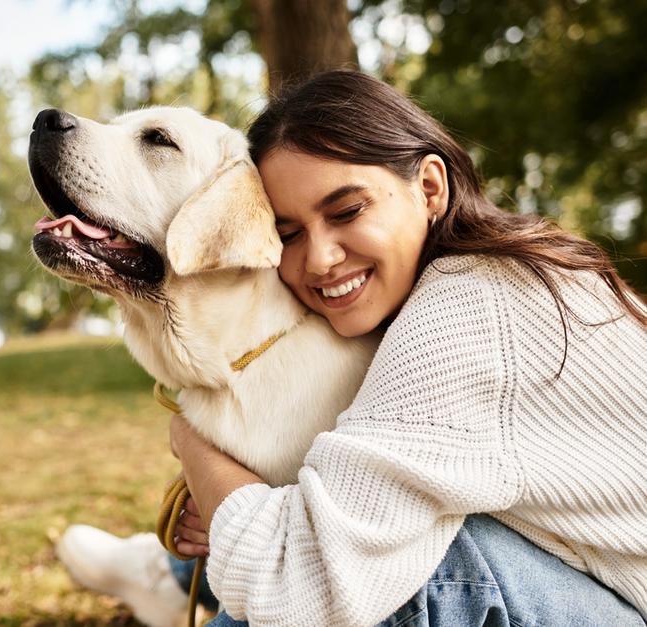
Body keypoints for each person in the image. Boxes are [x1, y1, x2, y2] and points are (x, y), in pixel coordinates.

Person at [56, 70, 647, 626]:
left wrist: (194, 448)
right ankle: (166, 575)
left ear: (430, 187)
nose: (319, 258)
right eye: (286, 233)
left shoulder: (470, 311)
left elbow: (300, 583)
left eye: (347, 211)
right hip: (588, 578)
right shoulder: (466, 280)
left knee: (413, 571)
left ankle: (166, 577)